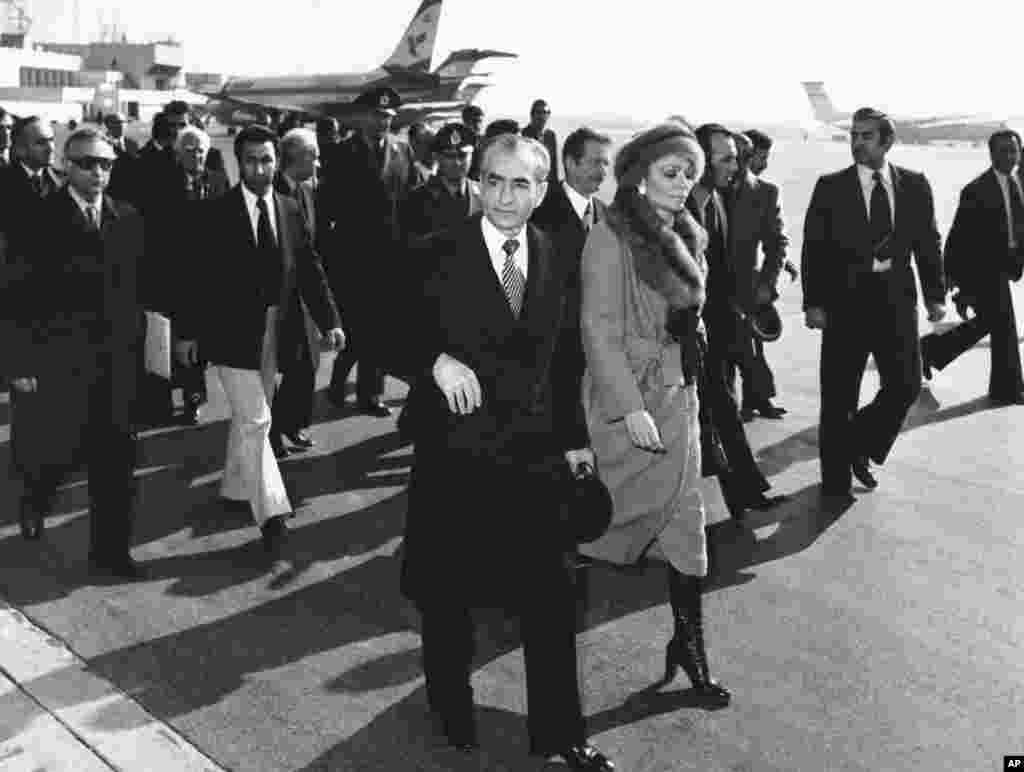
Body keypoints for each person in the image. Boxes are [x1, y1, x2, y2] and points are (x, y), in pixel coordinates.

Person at [396, 133, 614, 771]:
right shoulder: (436, 251)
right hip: (455, 456)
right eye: (493, 180)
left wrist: (575, 443)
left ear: (541, 191)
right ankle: (449, 707)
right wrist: (433, 361)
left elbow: (565, 361)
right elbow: (384, 323)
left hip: (534, 457)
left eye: (520, 184)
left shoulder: (558, 255)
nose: (504, 196)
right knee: (449, 598)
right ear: (478, 182)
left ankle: (560, 733)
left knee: (553, 599)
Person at [578, 122, 730, 706]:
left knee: (688, 527)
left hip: (679, 397)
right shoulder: (609, 237)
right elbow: (599, 331)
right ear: (640, 177)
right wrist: (629, 406)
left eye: (690, 172)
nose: (683, 182)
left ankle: (689, 647)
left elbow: (691, 321)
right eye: (671, 171)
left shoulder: (690, 233)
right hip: (630, 404)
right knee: (594, 522)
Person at [174, 125, 345, 560]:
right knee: (256, 420)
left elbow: (309, 269)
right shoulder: (216, 214)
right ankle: (272, 514)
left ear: (276, 161)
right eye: (250, 161)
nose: (259, 169)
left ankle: (236, 487)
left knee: (254, 417)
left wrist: (329, 320)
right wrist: (188, 333)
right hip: (230, 335)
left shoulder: (289, 208)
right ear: (238, 164)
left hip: (277, 332)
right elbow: (194, 279)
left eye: (266, 159)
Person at [1, 127, 144, 578]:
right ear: (66, 166)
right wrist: (18, 363)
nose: (97, 172)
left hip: (115, 364)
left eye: (105, 164)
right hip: (59, 363)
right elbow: (15, 297)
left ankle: (111, 554)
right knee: (54, 455)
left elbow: (140, 288)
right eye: (86, 163)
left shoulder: (127, 217)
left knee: (115, 463)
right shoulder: (37, 219)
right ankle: (35, 496)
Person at [802, 107, 946, 498]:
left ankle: (856, 444)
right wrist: (814, 303)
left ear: (887, 141)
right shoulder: (830, 186)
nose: (857, 142)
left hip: (896, 301)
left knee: (906, 385)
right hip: (844, 304)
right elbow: (813, 248)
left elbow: (928, 242)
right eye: (854, 135)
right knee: (839, 396)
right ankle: (835, 484)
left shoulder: (914, 185)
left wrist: (935, 294)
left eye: (866, 136)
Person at [688, 123, 786, 520]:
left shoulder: (715, 200)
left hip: (721, 321)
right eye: (727, 158)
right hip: (688, 333)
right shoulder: (683, 204)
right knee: (711, 412)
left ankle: (744, 491)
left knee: (723, 406)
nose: (736, 165)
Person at [323, 87, 414, 416]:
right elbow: (327, 207)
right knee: (356, 329)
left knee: (380, 328)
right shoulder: (341, 153)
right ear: (362, 117)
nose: (383, 122)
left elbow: (411, 200)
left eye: (388, 116)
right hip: (354, 258)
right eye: (377, 116)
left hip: (391, 257)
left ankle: (370, 395)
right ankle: (338, 382)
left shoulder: (403, 151)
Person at [920, 129, 1024, 403]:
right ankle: (1007, 391)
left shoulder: (1016, 185)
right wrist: (950, 276)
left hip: (1004, 266)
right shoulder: (977, 190)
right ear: (991, 154)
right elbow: (958, 236)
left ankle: (929, 351)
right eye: (1003, 151)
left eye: (1014, 150)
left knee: (990, 323)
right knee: (1004, 327)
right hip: (980, 268)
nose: (1010, 156)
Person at [532, 126, 612, 461]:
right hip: (551, 352)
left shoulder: (606, 215)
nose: (602, 172)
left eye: (606, 163)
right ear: (570, 162)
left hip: (595, 350)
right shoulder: (539, 212)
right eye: (595, 162)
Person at [728, 131, 789, 422]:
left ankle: (755, 401)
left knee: (752, 348)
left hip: (748, 287)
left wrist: (767, 282)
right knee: (737, 352)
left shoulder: (766, 193)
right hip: (713, 288)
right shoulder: (709, 189)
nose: (763, 164)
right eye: (759, 157)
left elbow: (777, 242)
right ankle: (738, 408)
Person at [271, 127, 324, 456]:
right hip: (275, 299)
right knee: (277, 370)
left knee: (305, 366)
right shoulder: (272, 190)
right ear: (298, 157)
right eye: (314, 156)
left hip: (303, 296)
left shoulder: (305, 191)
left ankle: (290, 423)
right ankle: (273, 433)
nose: (318, 163)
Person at [400, 122, 480, 243]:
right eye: (449, 156)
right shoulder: (415, 200)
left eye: (462, 156)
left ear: (472, 156)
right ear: (437, 157)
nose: (457, 163)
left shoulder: (485, 195)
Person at [522, 98, 559, 188]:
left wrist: (555, 187)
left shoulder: (550, 136)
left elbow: (553, 166)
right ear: (532, 115)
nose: (542, 116)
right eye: (538, 112)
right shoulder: (523, 135)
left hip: (547, 186)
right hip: (530, 185)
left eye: (545, 112)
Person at [462, 103, 485, 181]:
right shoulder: (456, 143)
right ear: (465, 122)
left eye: (480, 121)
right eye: (474, 121)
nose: (478, 125)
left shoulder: (486, 141)